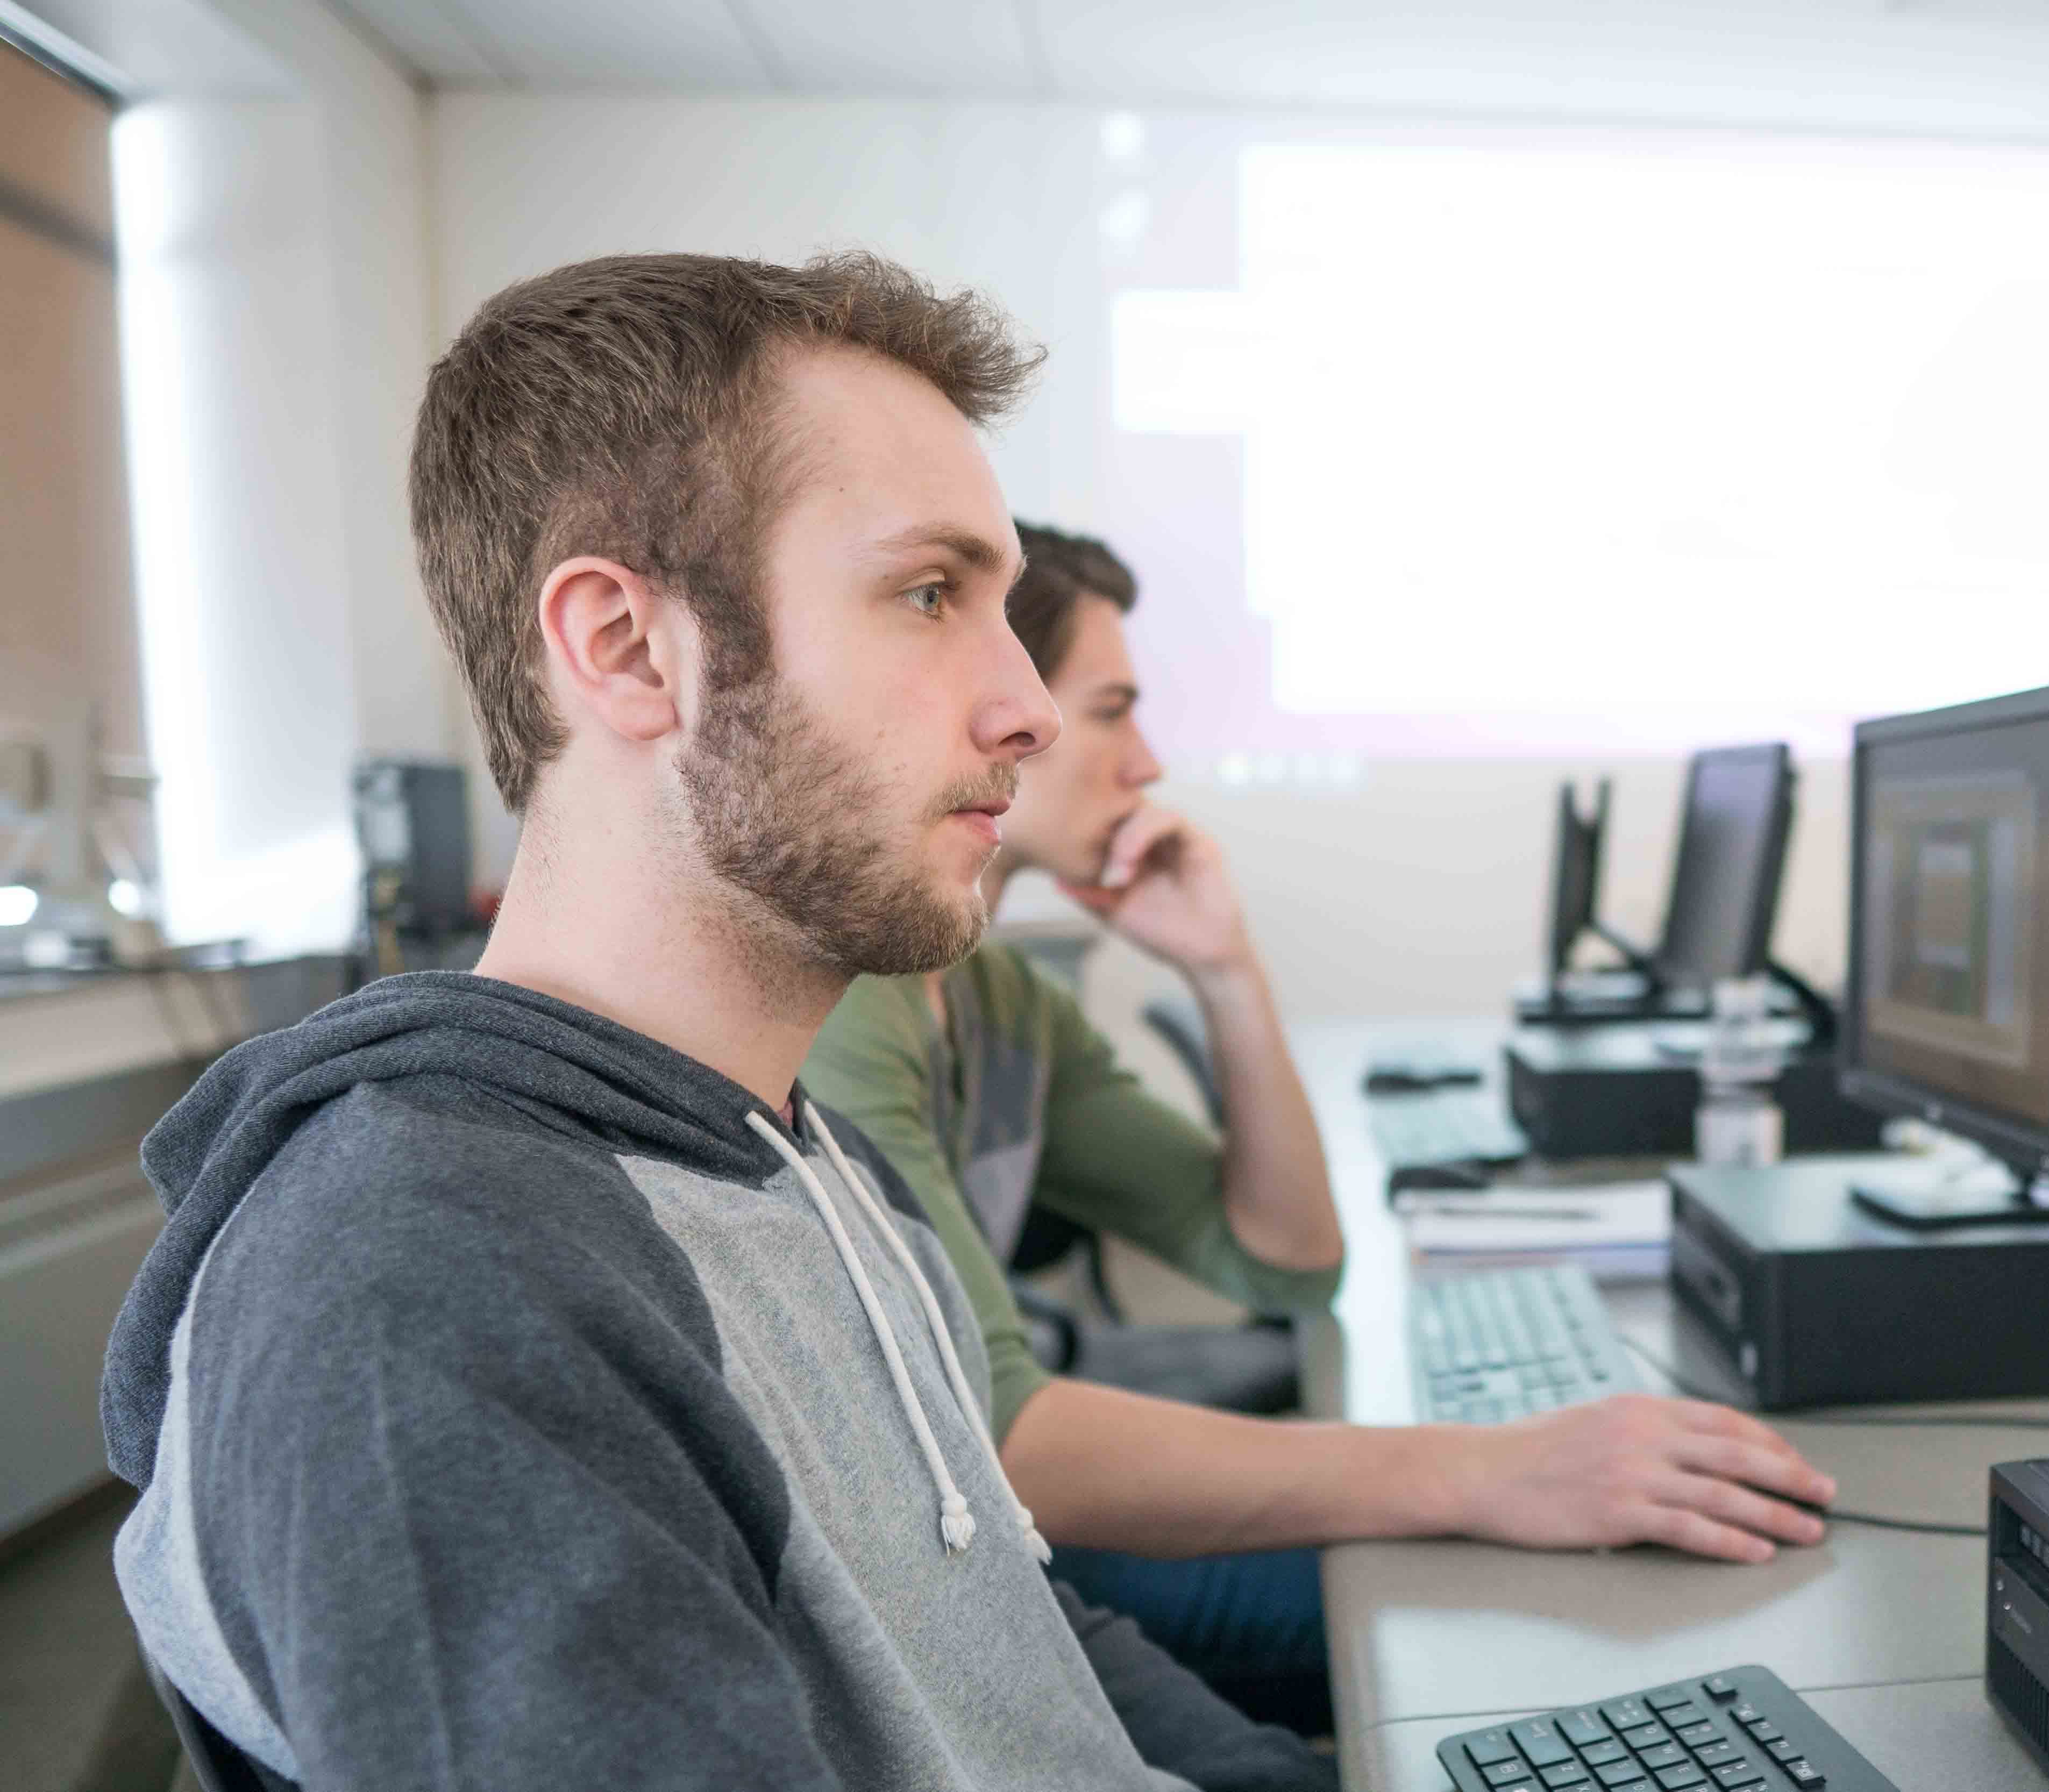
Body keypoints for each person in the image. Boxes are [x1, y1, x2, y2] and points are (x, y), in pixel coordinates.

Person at [103, 251, 1327, 1790]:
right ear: (624, 647)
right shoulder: (423, 1288)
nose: (1023, 705)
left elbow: (1010, 1639)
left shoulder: (811, 1165)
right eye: (930, 593)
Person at [805, 527, 1843, 1725]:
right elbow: (1007, 1440)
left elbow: (1285, 1258)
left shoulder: (1001, 999)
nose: (1144, 761)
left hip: (1008, 1538)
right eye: (1113, 710)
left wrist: (1227, 968)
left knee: (1525, 1582)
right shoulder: (852, 1013)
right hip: (958, 1585)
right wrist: (1489, 1466)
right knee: (1498, 1596)